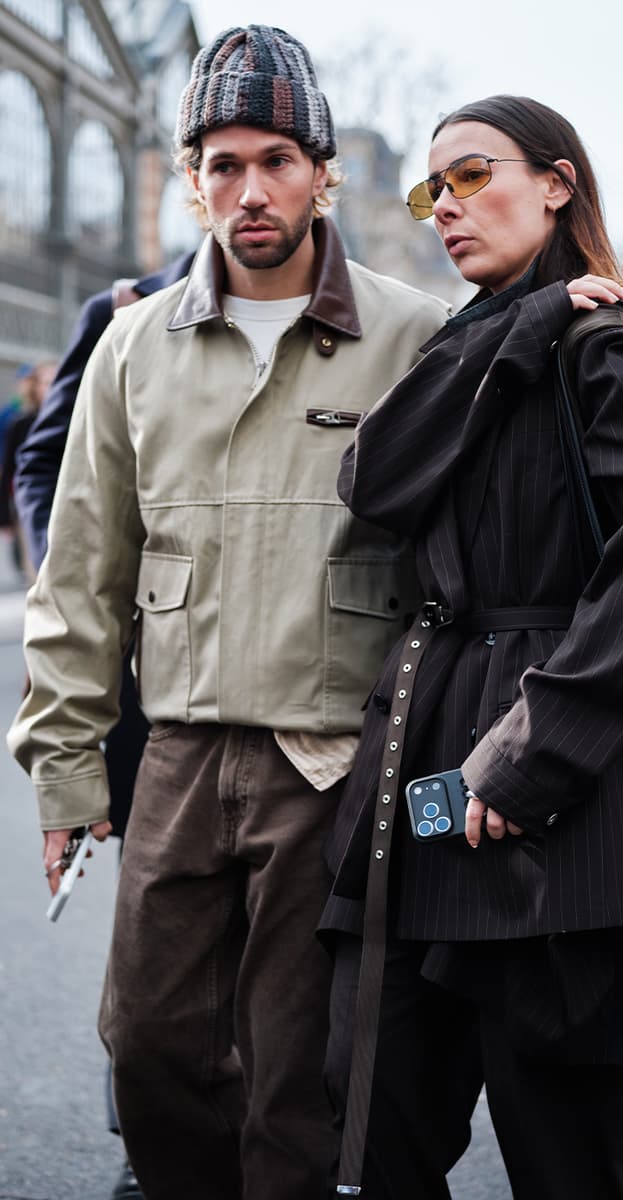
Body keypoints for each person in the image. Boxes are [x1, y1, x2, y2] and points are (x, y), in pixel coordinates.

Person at [7, 23, 450, 1200]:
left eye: (274, 161)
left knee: (293, 1078)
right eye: (221, 164)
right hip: (180, 759)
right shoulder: (134, 343)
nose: (248, 190)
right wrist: (64, 775)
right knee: (148, 1049)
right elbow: (83, 574)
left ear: (322, 171)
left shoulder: (416, 336)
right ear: (190, 179)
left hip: (335, 763)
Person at [320, 95, 623, 1200]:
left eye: (471, 175)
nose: (445, 208)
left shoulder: (604, 347)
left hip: (541, 816)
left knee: (568, 1154)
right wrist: (528, 314)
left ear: (556, 182)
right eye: (431, 190)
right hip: (415, 789)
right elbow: (373, 482)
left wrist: (534, 752)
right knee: (370, 1125)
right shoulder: (492, 337)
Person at [12, 257, 193, 1200]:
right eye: (224, 162)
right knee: (152, 927)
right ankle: (146, 1138)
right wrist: (70, 570)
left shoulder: (361, 307)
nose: (252, 187)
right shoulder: (124, 308)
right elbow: (46, 459)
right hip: (138, 680)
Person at [0, 361, 57, 581]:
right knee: (36, 571)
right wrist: (4, 515)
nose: (52, 388)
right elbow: (9, 470)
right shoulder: (20, 423)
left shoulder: (77, 419)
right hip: (31, 506)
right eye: (46, 382)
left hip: (68, 503)